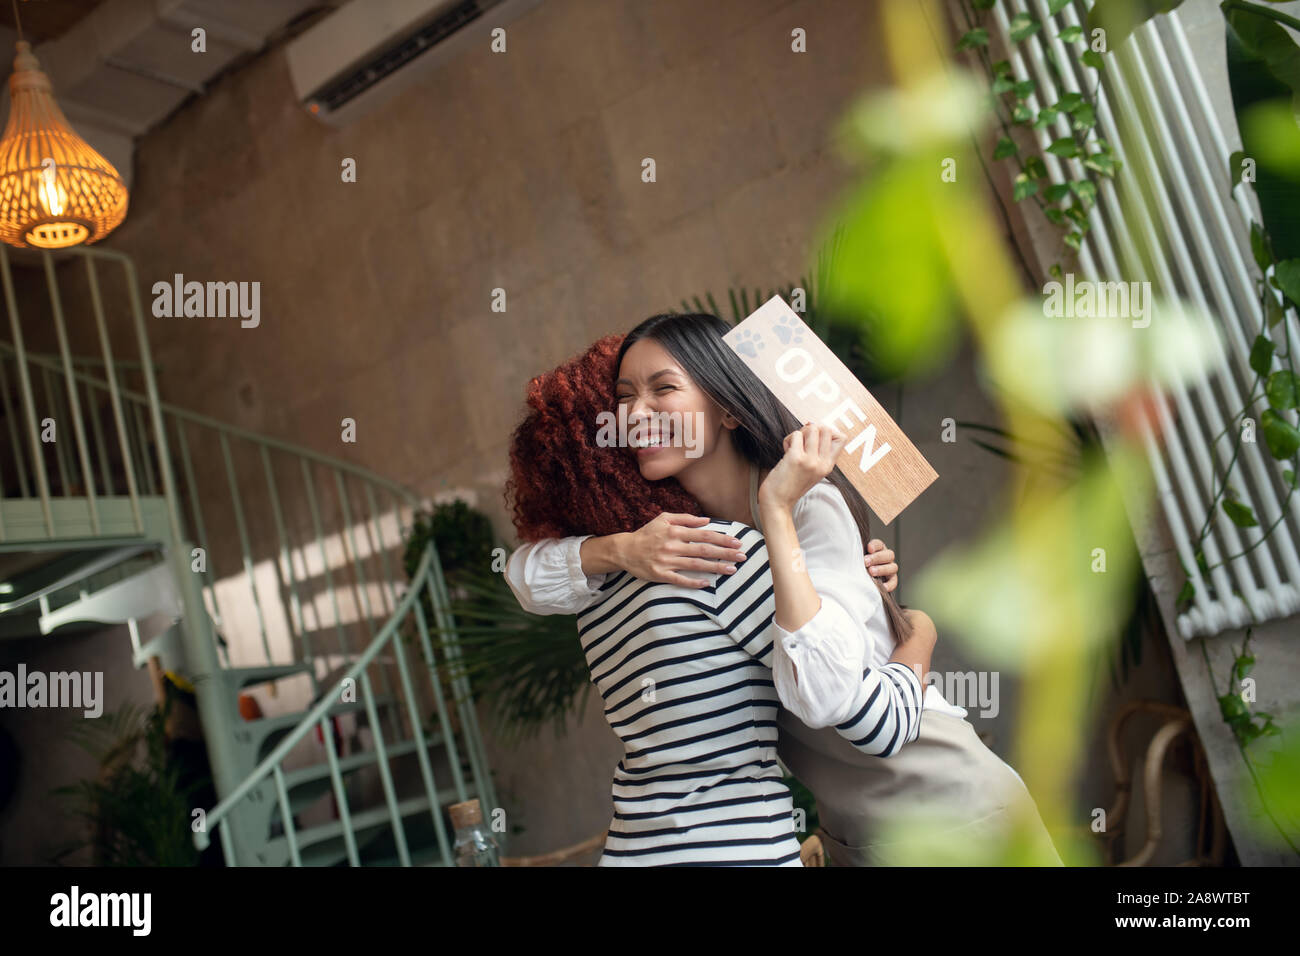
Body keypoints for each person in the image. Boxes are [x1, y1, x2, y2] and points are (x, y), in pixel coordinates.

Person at [507, 314, 1062, 866]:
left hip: (949, 802)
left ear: (726, 407)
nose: (636, 414)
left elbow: (836, 699)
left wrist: (918, 630)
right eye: (625, 397)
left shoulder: (810, 506)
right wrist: (620, 549)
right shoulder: (678, 538)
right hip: (855, 831)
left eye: (664, 388)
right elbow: (527, 576)